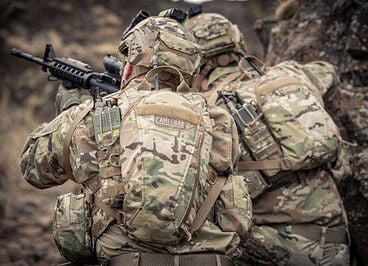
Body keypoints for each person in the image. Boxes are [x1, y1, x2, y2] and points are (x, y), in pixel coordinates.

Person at [19, 9, 252, 266]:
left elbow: (33, 170)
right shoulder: (220, 120)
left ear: (129, 64)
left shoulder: (92, 115)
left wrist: (70, 111)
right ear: (191, 66)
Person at [185, 8, 351, 266]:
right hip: (336, 245)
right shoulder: (289, 76)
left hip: (271, 251)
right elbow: (327, 72)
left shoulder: (204, 110)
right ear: (238, 45)